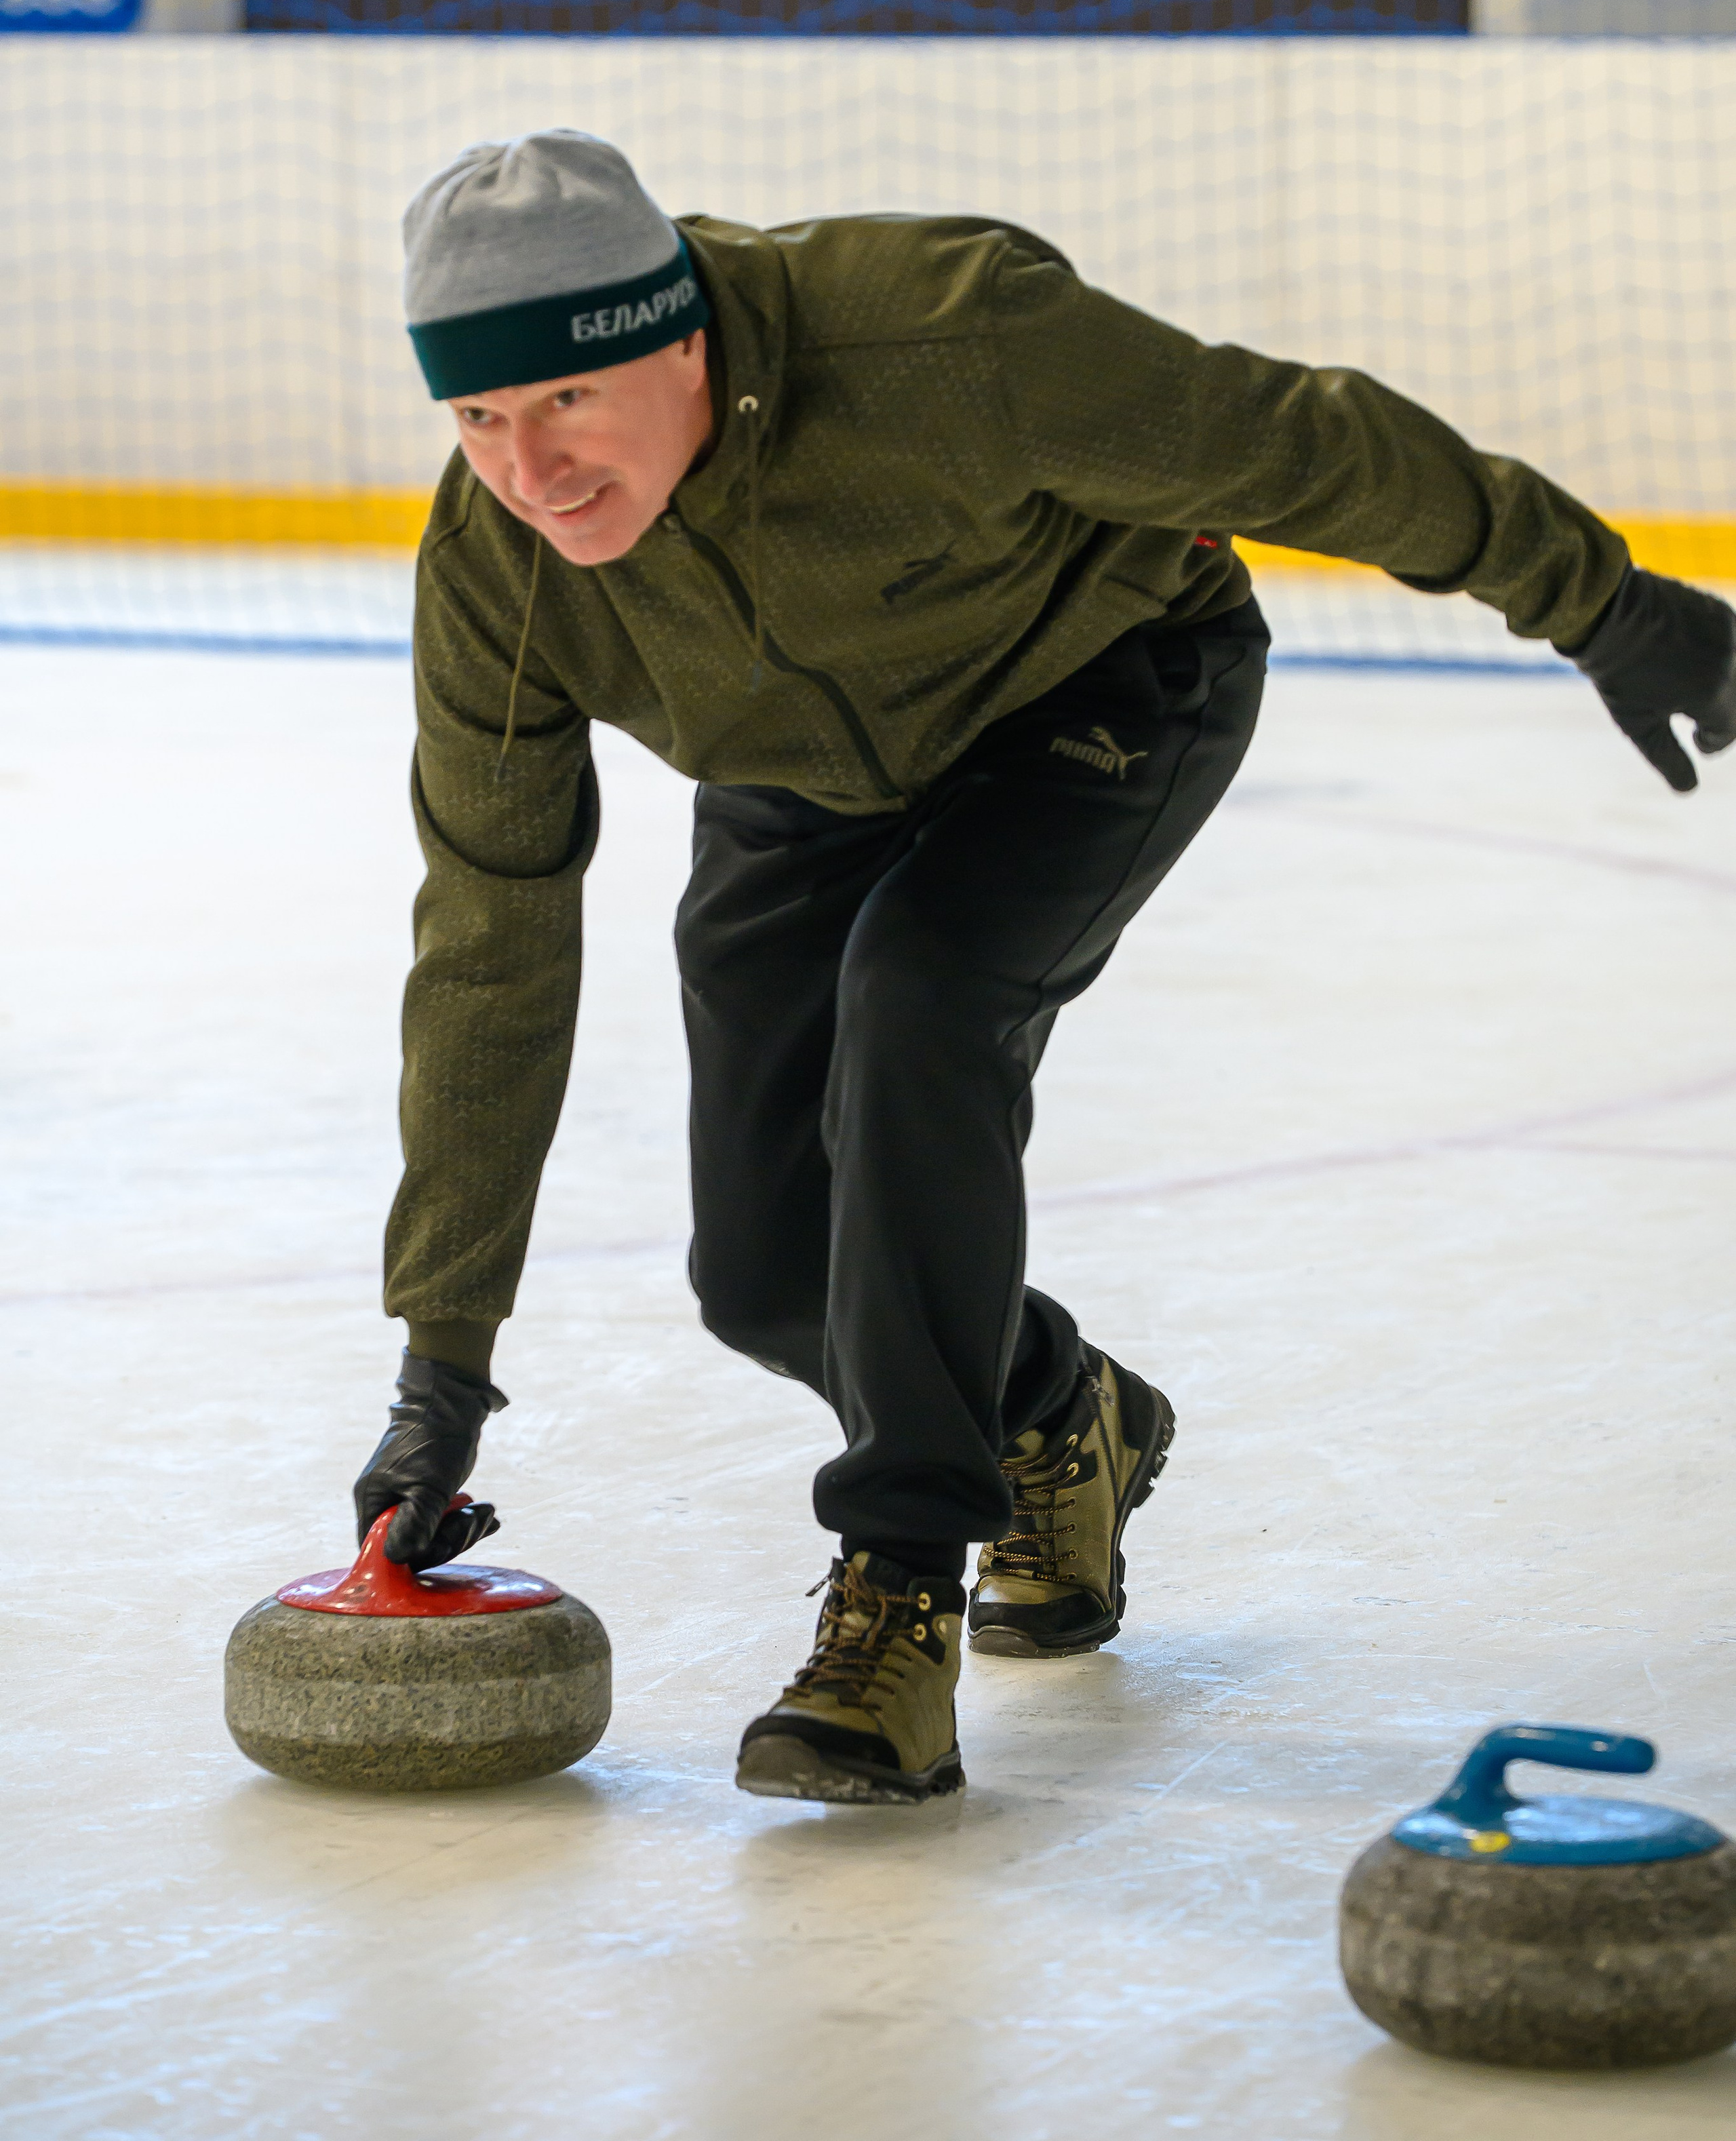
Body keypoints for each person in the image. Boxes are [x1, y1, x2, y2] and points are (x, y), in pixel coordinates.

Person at [352, 130, 1736, 1805]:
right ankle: (1057, 1411)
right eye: (478, 421)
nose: (531, 470)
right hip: (800, 778)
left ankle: (897, 1604)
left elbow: (1311, 447)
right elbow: (491, 940)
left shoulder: (945, 337)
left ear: (680, 333)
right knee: (766, 1276)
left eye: (565, 403)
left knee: (921, 1006)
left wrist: (1595, 603)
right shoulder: (495, 571)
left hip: (1097, 686)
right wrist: (444, 1365)